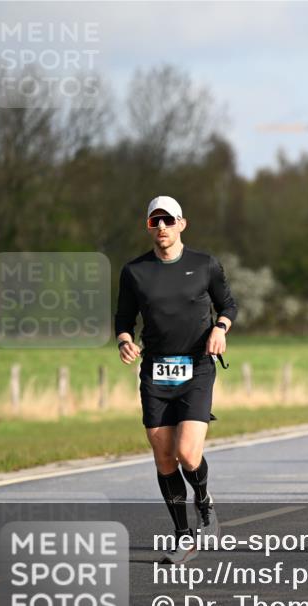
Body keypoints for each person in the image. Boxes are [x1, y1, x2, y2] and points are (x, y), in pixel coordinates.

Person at [115, 195, 237, 564]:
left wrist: (221, 327)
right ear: (149, 227)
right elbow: (123, 319)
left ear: (182, 223)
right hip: (155, 369)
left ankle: (204, 504)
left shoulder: (205, 265)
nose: (163, 227)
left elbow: (228, 304)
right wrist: (123, 341)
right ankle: (183, 535)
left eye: (169, 220)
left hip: (197, 366)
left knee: (187, 452)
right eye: (156, 222)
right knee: (163, 457)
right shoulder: (135, 271)